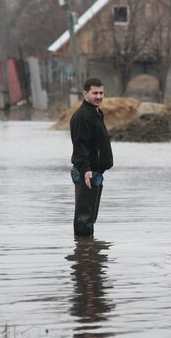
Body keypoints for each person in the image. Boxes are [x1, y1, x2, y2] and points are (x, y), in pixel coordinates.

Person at [70, 78, 113, 236]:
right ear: (85, 93)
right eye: (95, 93)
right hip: (86, 173)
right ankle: (83, 257)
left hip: (96, 172)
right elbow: (80, 145)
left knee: (90, 218)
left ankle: (89, 253)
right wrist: (86, 170)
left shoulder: (95, 113)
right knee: (84, 219)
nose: (99, 96)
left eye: (101, 93)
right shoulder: (82, 116)